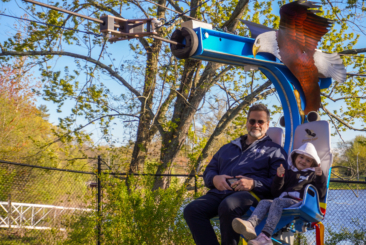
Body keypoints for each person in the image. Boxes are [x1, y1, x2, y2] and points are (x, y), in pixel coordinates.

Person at [184, 104, 288, 245]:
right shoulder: (228, 148)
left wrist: (253, 183)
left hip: (251, 194)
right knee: (192, 210)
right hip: (220, 192)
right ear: (247, 123)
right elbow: (209, 171)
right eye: (252, 121)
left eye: (260, 122)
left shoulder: (275, 151)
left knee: (228, 206)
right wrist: (214, 179)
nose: (256, 125)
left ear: (267, 125)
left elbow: (278, 183)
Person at [232, 142, 327, 245]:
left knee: (277, 202)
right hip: (283, 199)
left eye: (308, 160)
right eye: (301, 157)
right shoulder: (288, 173)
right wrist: (279, 177)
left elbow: (321, 193)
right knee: (265, 202)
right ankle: (250, 224)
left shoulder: (312, 175)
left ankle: (266, 236)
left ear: (312, 164)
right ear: (295, 157)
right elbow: (275, 192)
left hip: (299, 202)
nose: (303, 161)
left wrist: (319, 177)